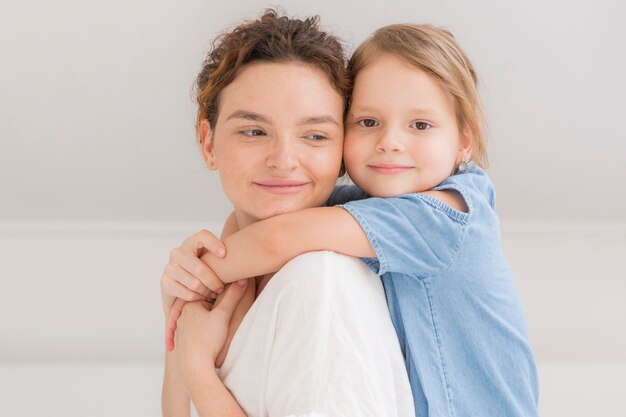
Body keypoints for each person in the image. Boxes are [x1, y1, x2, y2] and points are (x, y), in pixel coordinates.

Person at [168, 24, 539, 417]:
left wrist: (195, 280)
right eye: (368, 122)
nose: (390, 142)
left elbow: (275, 240)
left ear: (465, 141)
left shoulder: (446, 215)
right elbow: (254, 230)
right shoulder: (359, 208)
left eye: (420, 125)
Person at [160, 10, 414, 417]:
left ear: (342, 153)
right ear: (208, 144)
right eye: (254, 131)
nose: (283, 160)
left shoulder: (321, 282)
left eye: (315, 135)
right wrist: (178, 313)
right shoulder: (225, 285)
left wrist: (197, 371)